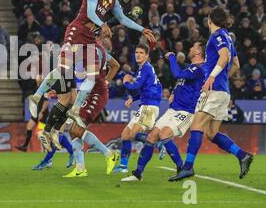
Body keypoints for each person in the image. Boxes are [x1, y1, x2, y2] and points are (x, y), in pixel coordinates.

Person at [30, 0, 154, 145]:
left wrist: (142, 29)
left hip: (89, 39)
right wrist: (102, 24)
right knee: (62, 70)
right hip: (77, 31)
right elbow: (89, 12)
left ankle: (73, 111)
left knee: (92, 74)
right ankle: (36, 97)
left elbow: (123, 19)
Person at [169, 8, 254, 181]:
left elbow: (223, 58)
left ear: (209, 20)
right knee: (211, 132)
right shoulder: (228, 38)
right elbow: (236, 64)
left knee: (196, 124)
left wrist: (213, 77)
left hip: (215, 91)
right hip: (222, 90)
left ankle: (188, 167)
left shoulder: (217, 36)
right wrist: (221, 78)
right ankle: (242, 155)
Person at [121, 42, 206, 181]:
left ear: (198, 52)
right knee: (151, 137)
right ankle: (138, 173)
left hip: (185, 111)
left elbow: (177, 74)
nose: (190, 48)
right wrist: (173, 92)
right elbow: (181, 82)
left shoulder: (199, 69)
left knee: (164, 133)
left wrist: (172, 57)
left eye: (193, 47)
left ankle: (182, 168)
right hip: (172, 109)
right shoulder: (191, 68)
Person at [63, 37, 120, 178]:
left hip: (97, 94)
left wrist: (106, 82)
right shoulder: (86, 53)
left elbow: (116, 65)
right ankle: (80, 168)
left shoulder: (94, 52)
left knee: (77, 129)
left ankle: (110, 154)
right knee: (72, 131)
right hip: (88, 94)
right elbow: (115, 65)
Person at [114, 43, 163, 173]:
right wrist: (133, 99)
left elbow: (135, 86)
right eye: (136, 52)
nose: (138, 55)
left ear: (147, 55)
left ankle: (158, 143)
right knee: (125, 135)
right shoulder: (143, 69)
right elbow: (147, 88)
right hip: (145, 105)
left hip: (149, 106)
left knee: (133, 134)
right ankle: (123, 166)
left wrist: (125, 81)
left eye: (141, 52)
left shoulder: (146, 68)